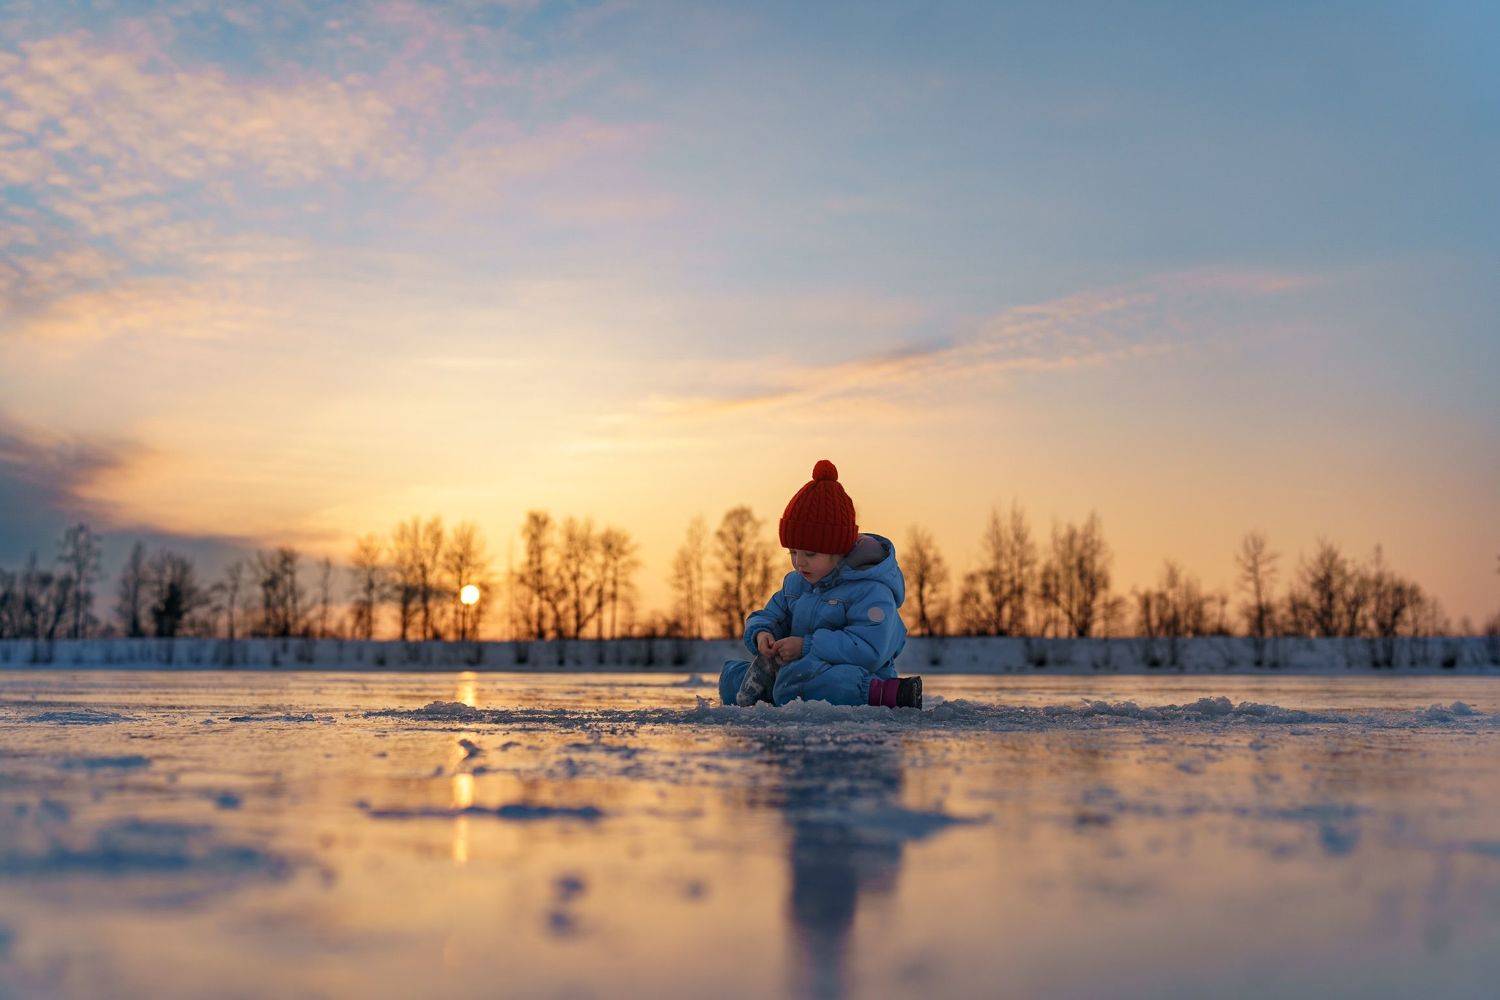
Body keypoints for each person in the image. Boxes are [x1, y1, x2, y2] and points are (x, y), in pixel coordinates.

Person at [718, 459, 922, 709]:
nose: (799, 563)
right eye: (793, 552)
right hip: (798, 670)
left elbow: (869, 647)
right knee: (731, 678)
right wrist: (763, 634)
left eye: (810, 554)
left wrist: (807, 647)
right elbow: (768, 615)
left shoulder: (870, 589)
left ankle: (887, 693)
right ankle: (780, 689)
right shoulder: (795, 584)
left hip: (851, 675)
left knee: (803, 682)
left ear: (837, 550)